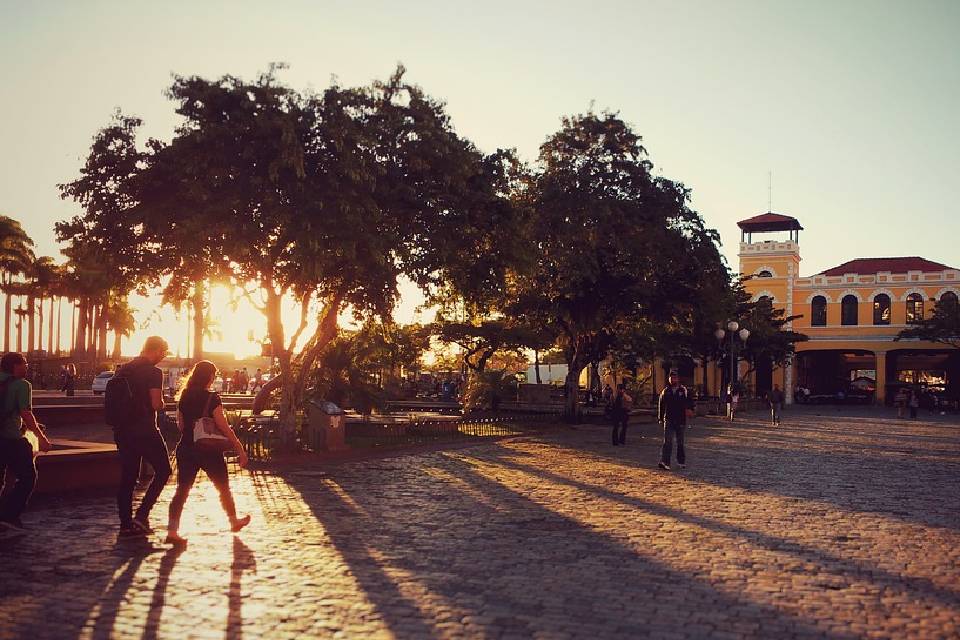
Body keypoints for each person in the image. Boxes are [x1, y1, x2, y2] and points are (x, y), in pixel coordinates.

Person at [166, 360, 251, 546]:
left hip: (186, 447)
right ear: (210, 377)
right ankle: (233, 520)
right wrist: (238, 447)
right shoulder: (212, 398)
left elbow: (180, 425)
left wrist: (192, 431)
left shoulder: (185, 395)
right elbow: (223, 426)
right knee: (222, 487)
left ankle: (172, 530)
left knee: (182, 489)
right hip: (208, 450)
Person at [113, 336, 172, 539]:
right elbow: (156, 404)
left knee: (128, 478)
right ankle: (142, 515)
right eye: (163, 352)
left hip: (122, 431)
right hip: (145, 430)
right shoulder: (154, 372)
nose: (163, 356)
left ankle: (125, 524)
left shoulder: (124, 370)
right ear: (155, 350)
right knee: (164, 470)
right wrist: (163, 404)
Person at [0, 353, 53, 534]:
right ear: (15, 365)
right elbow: (26, 414)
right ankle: (9, 516)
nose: (27, 366)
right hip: (11, 440)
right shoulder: (22, 385)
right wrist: (41, 438)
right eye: (24, 363)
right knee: (28, 478)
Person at [658, 370, 693, 471]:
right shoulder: (665, 391)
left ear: (678, 379)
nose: (673, 379)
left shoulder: (683, 390)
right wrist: (660, 418)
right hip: (668, 419)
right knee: (667, 441)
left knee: (680, 442)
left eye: (675, 377)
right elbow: (661, 405)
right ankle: (665, 462)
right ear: (669, 379)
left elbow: (689, 402)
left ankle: (681, 461)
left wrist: (690, 410)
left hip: (680, 420)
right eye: (672, 377)